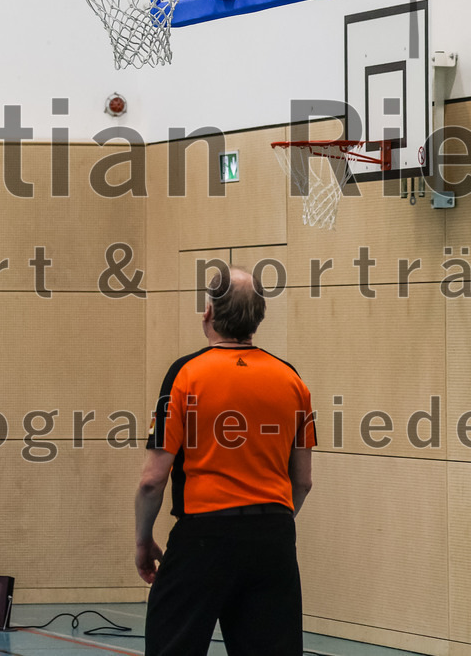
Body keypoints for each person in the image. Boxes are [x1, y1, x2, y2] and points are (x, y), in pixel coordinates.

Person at [135, 264, 316, 656]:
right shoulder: (292, 380)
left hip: (203, 537)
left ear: (209, 313)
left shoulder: (185, 374)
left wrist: (143, 540)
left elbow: (153, 478)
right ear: (259, 318)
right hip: (274, 541)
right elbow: (302, 482)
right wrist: (271, 524)